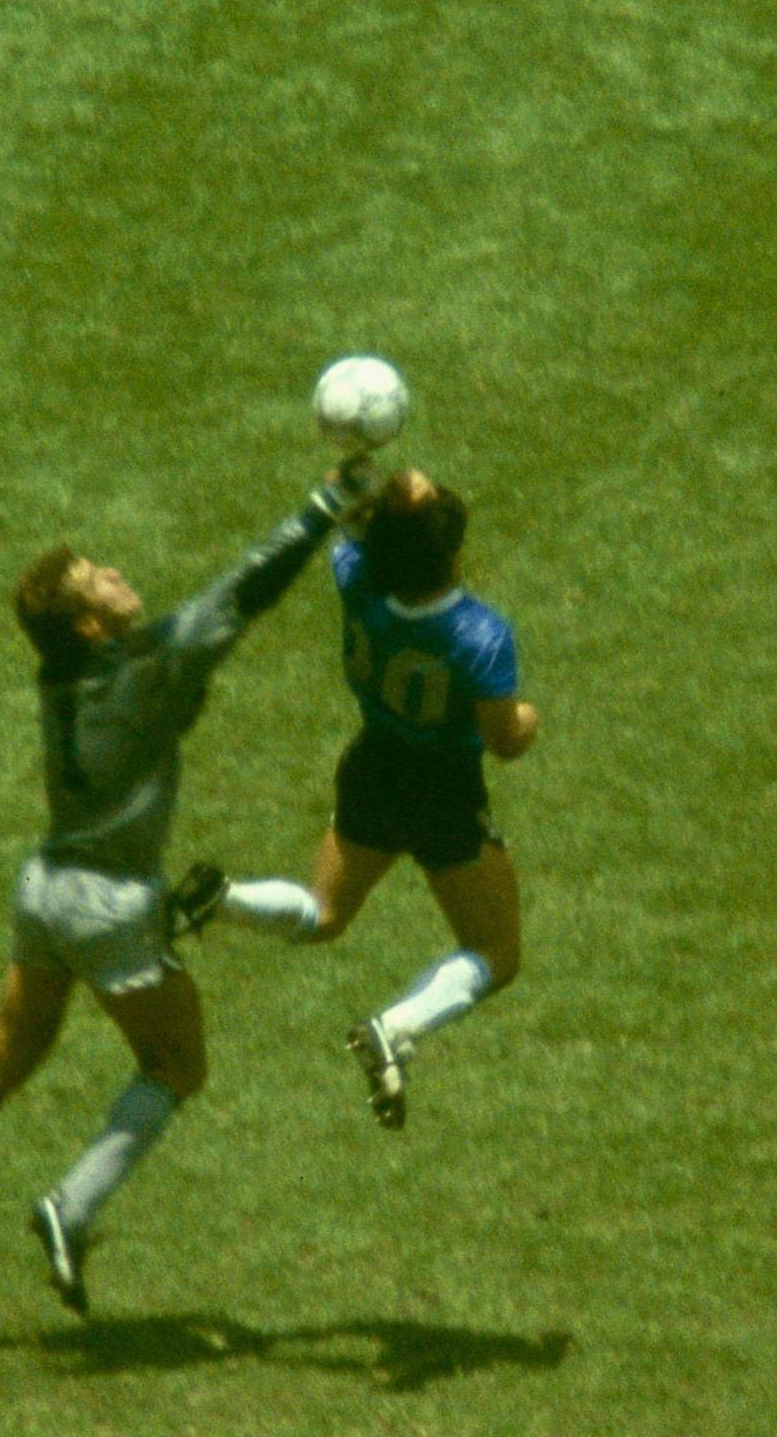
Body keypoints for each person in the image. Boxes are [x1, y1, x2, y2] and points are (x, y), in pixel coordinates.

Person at [0, 458, 372, 1315]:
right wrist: (326, 506)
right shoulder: (145, 666)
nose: (117, 575)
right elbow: (243, 592)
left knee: (6, 1055)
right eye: (98, 580)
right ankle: (72, 1207)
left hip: (44, 886)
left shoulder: (59, 673)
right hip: (110, 902)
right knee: (176, 1061)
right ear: (91, 625)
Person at [198, 469, 537, 1130]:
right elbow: (506, 742)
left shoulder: (358, 579)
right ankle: (398, 1027)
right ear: (449, 550)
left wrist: (366, 479)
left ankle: (227, 900)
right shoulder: (480, 635)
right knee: (497, 953)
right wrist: (528, 716)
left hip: (373, 766)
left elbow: (344, 516)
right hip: (442, 789)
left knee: (323, 914)